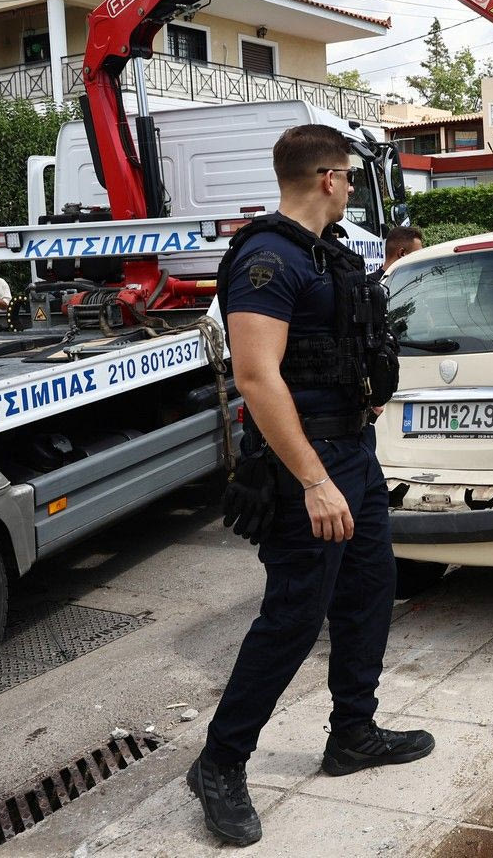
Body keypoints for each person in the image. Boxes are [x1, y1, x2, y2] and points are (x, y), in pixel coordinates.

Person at [188, 124, 431, 846]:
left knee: (367, 592)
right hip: (310, 466)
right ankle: (220, 763)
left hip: (353, 450)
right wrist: (316, 481)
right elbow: (257, 377)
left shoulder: (320, 255)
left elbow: (331, 348)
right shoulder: (266, 258)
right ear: (327, 177)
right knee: (294, 616)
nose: (353, 185)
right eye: (349, 176)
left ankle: (352, 732)